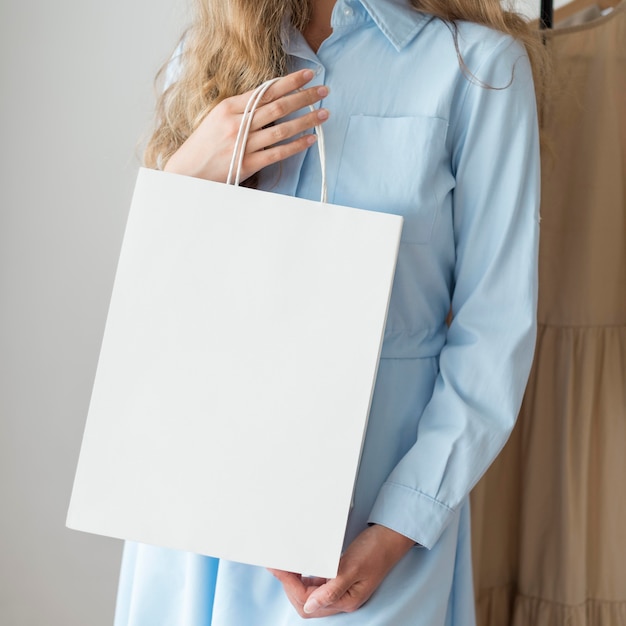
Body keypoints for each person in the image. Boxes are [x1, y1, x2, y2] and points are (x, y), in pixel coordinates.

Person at [114, 0, 545, 624]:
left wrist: (399, 525)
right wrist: (189, 173)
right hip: (202, 495)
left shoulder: (476, 68)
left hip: (364, 519)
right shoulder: (209, 57)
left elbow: (496, 329)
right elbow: (157, 302)